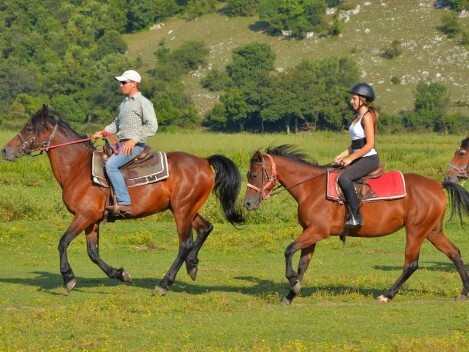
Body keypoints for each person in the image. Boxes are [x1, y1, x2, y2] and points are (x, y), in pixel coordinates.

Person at [93, 70, 158, 216]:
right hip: (121, 144)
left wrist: (133, 140)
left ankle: (124, 203)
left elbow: (152, 125)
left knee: (111, 165)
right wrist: (103, 132)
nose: (120, 85)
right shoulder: (124, 104)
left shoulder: (143, 103)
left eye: (124, 82)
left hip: (135, 145)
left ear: (134, 84)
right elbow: (116, 124)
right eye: (120, 82)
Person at [334, 83, 380, 227]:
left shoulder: (367, 117)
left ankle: (356, 216)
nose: (351, 101)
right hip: (359, 156)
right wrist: (342, 155)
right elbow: (356, 143)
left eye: (354, 98)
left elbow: (369, 144)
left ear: (363, 100)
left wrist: (351, 158)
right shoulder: (357, 117)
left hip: (369, 158)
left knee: (345, 177)